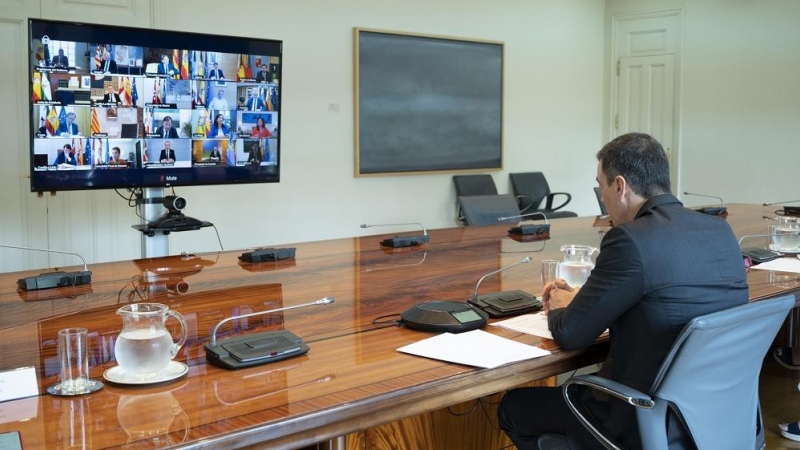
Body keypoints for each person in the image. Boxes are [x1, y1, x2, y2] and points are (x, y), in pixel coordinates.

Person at [497, 133, 748, 450]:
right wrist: (586, 300)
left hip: (643, 420)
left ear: (619, 186)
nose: (601, 196)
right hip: (716, 418)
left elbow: (571, 333)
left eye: (600, 186)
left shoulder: (630, 239)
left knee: (514, 407)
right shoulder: (720, 231)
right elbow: (660, 296)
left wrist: (561, 303)